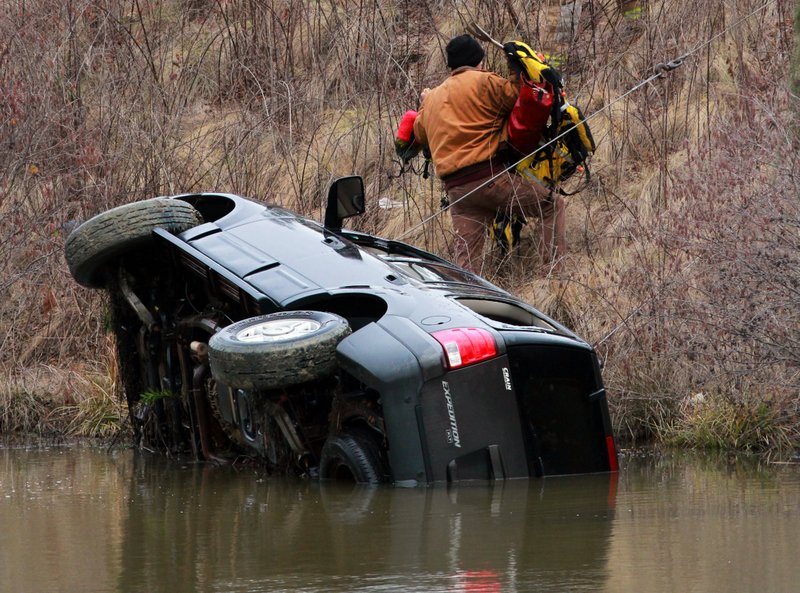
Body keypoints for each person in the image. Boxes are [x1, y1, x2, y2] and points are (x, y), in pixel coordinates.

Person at [413, 33, 565, 274]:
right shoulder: (483, 81)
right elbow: (518, 97)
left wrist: (424, 103)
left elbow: (419, 135)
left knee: (466, 265)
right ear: (478, 61)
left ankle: (462, 302)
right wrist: (517, 66)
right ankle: (555, 274)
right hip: (490, 180)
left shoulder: (431, 99)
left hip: (457, 192)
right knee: (552, 206)